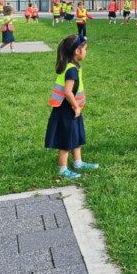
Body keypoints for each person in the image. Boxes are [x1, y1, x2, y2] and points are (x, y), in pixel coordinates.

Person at [44, 34, 99, 179]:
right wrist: (76, 107)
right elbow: (67, 92)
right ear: (77, 51)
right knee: (66, 140)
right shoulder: (71, 70)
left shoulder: (73, 66)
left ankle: (78, 162)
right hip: (66, 109)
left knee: (76, 136)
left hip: (71, 109)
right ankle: (63, 169)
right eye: (85, 49)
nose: (86, 52)